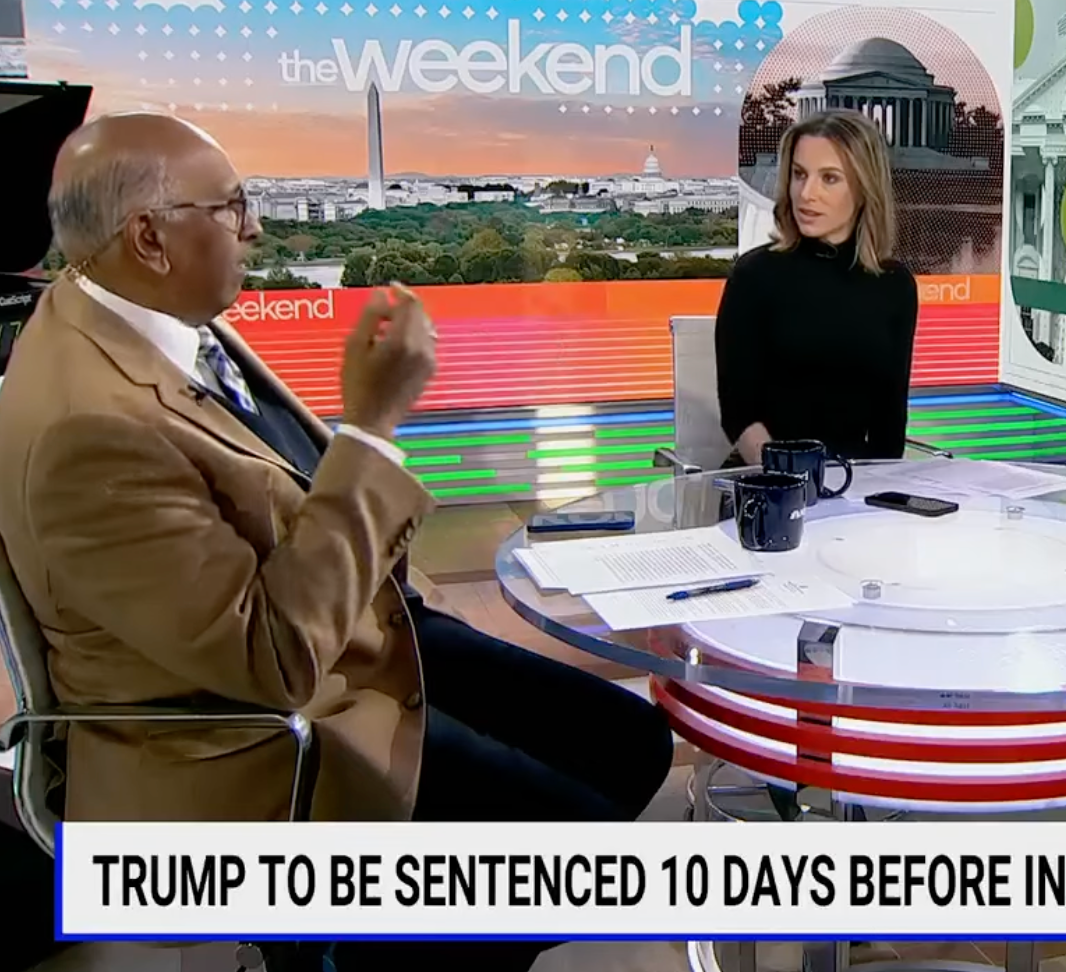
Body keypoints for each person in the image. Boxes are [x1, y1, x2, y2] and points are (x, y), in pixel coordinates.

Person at [0, 113, 673, 969]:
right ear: (150, 237)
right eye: (234, 207)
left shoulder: (133, 305)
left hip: (344, 630)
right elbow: (271, 660)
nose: (258, 227)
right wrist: (373, 427)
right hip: (250, 733)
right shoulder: (88, 428)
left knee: (633, 742)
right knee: (579, 854)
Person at [715, 109, 918, 466]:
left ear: (863, 187)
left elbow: (889, 427)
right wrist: (793, 482)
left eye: (829, 178)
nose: (806, 193)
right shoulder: (755, 275)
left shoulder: (895, 286)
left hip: (853, 490)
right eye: (799, 175)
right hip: (768, 483)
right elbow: (739, 414)